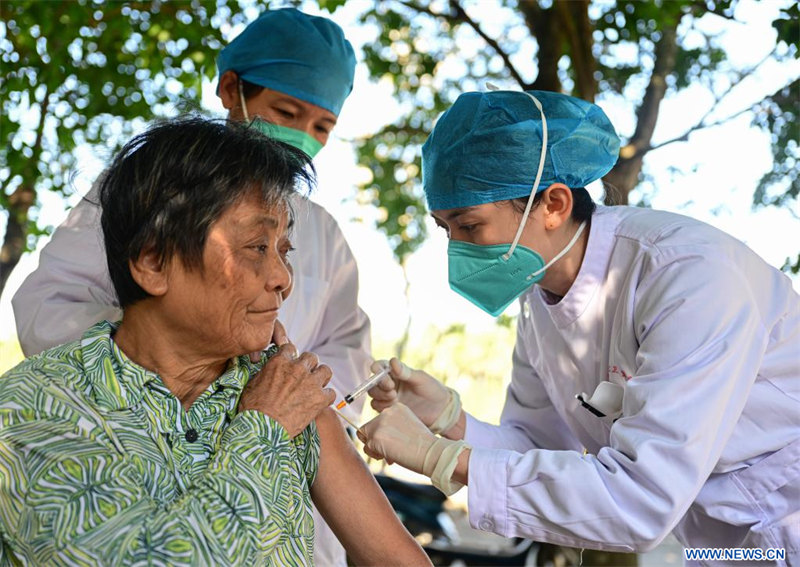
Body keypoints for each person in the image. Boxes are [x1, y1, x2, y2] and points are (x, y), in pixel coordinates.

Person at [359, 89, 800, 563]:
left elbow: (639, 499)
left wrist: (439, 458)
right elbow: (537, 446)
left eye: (469, 226)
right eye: (445, 229)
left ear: (553, 204)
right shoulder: (538, 300)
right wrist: (449, 420)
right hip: (727, 545)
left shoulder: (687, 275)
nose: (457, 251)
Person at [11, 9, 369, 565]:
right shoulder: (150, 194)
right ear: (231, 89)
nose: (279, 281)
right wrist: (171, 384)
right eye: (286, 111)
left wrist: (284, 398)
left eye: (322, 126)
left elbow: (344, 349)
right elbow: (49, 302)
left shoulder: (324, 233)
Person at [0, 117, 430, 566]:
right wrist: (263, 429)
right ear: (152, 262)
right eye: (256, 248)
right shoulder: (35, 405)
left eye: (284, 251)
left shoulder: (285, 393)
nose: (283, 280)